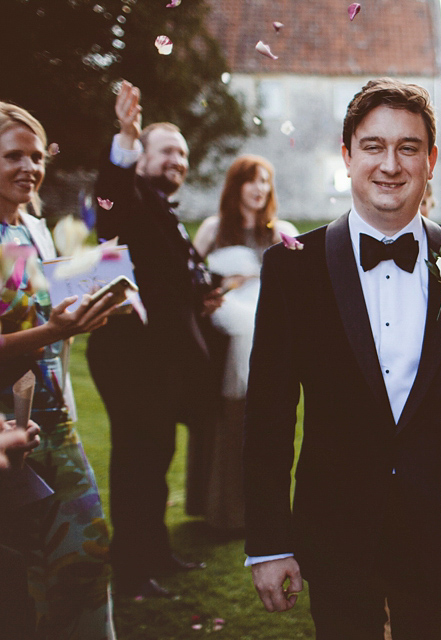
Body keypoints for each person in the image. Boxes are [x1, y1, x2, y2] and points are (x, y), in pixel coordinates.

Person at [242, 77, 441, 640]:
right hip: (336, 531)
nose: (390, 164)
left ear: (431, 160)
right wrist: (268, 543)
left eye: (408, 147)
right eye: (373, 146)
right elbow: (268, 413)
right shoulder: (293, 268)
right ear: (346, 156)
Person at [86, 81, 221, 598]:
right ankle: (131, 569)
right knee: (135, 463)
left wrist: (202, 290)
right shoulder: (128, 195)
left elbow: (171, 275)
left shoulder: (165, 210)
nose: (178, 160)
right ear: (141, 155)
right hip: (130, 359)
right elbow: (109, 199)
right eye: (168, 150)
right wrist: (124, 137)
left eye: (183, 154)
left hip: (164, 362)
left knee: (157, 456)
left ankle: (156, 552)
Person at [0, 101, 121, 638]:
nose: (28, 167)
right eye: (12, 156)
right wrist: (55, 330)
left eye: (34, 156)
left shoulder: (32, 228)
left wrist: (98, 292)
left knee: (86, 555)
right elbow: (42, 327)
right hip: (5, 434)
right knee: (20, 578)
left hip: (55, 419)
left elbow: (50, 305)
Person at [186, 155, 297, 532]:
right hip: (228, 329)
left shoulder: (280, 231)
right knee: (231, 416)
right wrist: (227, 282)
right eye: (252, 180)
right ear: (236, 186)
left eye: (265, 181)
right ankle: (224, 506)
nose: (259, 188)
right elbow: (193, 281)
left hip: (267, 325)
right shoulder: (213, 229)